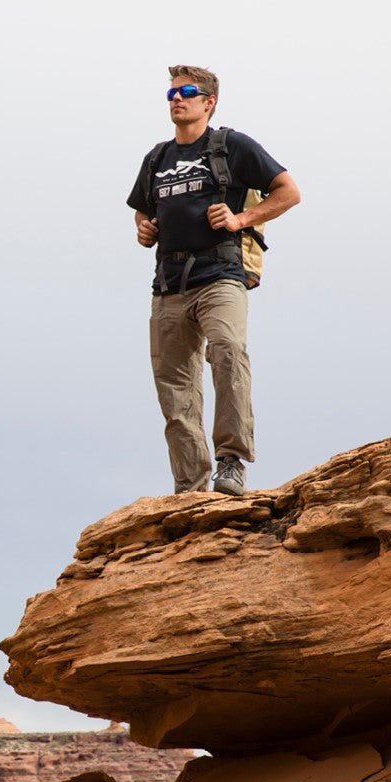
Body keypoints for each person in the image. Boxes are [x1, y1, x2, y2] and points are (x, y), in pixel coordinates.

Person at [127, 65, 299, 495]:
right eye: (171, 94)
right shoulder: (157, 158)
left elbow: (288, 191)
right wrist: (144, 226)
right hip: (168, 284)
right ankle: (190, 487)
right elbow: (142, 208)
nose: (176, 99)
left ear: (209, 101)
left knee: (227, 351)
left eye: (187, 92)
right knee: (174, 384)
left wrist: (242, 218)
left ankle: (231, 462)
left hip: (220, 274)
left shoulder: (231, 146)